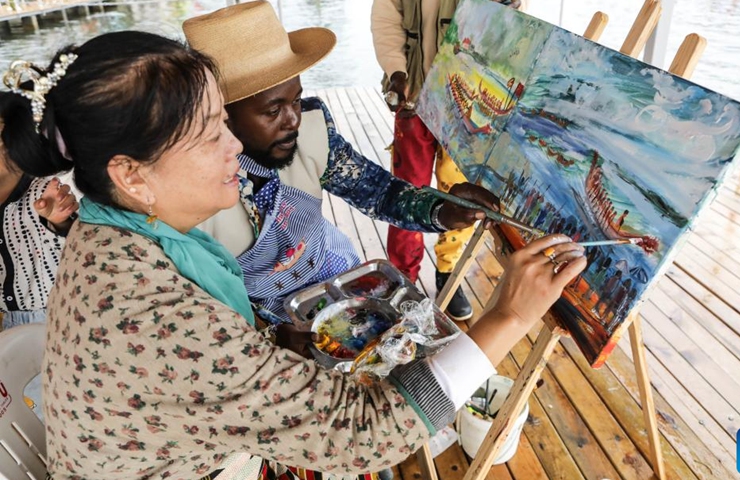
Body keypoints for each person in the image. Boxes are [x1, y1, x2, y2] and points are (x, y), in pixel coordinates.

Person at [5, 31, 585, 480]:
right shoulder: (150, 312)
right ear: (131, 175)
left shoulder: (118, 234)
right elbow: (364, 432)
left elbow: (379, 191)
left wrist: (437, 210)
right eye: (213, 131)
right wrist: (508, 316)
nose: (233, 145)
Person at [183, 1, 496, 328]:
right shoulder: (186, 190)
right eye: (273, 111)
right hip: (263, 320)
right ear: (221, 115)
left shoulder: (314, 133)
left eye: (295, 99)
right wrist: (269, 333)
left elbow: (379, 193)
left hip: (337, 278)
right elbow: (203, 302)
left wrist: (441, 209)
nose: (293, 120)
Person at [371, 0, 524, 321]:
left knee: (461, 190)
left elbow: (512, 30)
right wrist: (396, 71)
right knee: (405, 190)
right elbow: (386, 25)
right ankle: (403, 276)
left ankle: (448, 272)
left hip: (469, 102)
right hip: (413, 96)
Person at [0, 91, 78, 420]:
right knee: (38, 414)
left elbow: (74, 232)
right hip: (12, 330)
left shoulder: (43, 189)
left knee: (74, 406)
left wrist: (59, 220)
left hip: (62, 317)